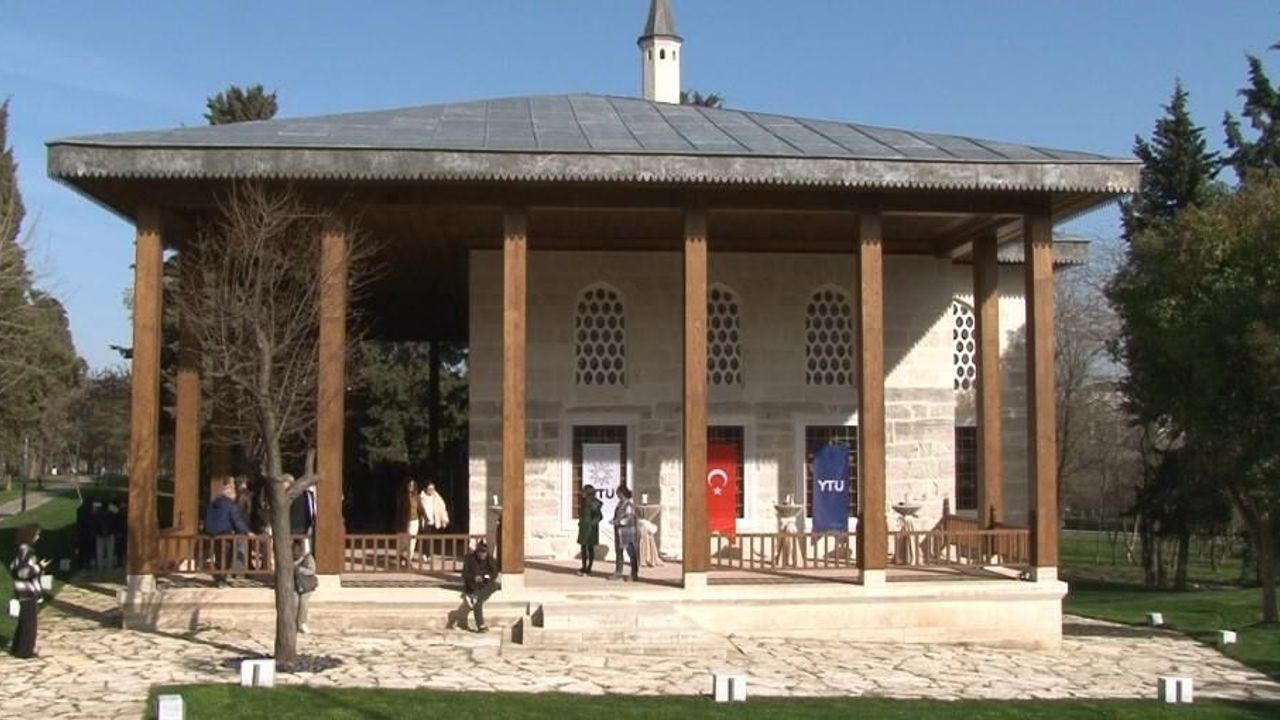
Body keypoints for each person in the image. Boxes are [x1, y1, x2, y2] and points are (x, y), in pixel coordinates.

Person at [9, 524, 49, 659]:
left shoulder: (21, 550)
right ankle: (25, 651)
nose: (38, 537)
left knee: (24, 621)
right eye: (37, 534)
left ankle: (17, 648)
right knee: (29, 624)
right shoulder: (26, 552)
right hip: (27, 591)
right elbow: (22, 572)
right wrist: (39, 567)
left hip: (23, 590)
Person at [204, 479, 249, 586]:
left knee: (219, 555)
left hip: (213, 534)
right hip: (226, 533)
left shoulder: (212, 503)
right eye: (234, 494)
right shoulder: (230, 505)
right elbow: (236, 521)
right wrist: (247, 531)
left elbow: (207, 518)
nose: (235, 497)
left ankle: (219, 577)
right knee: (227, 556)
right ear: (230, 494)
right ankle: (222, 578)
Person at [460, 540, 500, 632]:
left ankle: (476, 597)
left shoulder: (489, 559)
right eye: (481, 552)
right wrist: (474, 577)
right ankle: (481, 625)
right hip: (473, 585)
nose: (483, 555)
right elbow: (464, 574)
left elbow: (494, 573)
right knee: (477, 603)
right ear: (477, 552)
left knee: (494, 586)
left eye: (484, 552)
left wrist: (485, 577)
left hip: (485, 584)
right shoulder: (469, 558)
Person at [610, 486, 639, 582]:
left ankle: (634, 573)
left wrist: (618, 522)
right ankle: (618, 572)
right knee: (619, 552)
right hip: (619, 532)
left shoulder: (629, 505)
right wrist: (614, 520)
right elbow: (617, 516)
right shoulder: (619, 504)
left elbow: (629, 518)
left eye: (619, 493)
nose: (618, 495)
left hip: (628, 532)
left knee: (631, 553)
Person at [577, 484, 603, 576]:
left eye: (583, 491)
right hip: (583, 528)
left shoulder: (594, 503)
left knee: (590, 548)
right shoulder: (584, 502)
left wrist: (591, 524)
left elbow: (599, 516)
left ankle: (589, 567)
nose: (582, 493)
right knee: (583, 548)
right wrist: (581, 522)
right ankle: (584, 566)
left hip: (591, 529)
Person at [292, 539, 317, 634]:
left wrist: (301, 570)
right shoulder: (290, 558)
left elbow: (312, 570)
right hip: (295, 584)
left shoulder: (308, 558)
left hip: (306, 585)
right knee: (295, 603)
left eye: (298, 550)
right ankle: (294, 623)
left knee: (303, 602)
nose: (296, 552)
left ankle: (302, 623)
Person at [400, 478, 427, 564]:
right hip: (405, 521)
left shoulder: (416, 497)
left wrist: (425, 517)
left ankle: (409, 558)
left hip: (415, 521)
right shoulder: (402, 496)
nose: (411, 487)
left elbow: (421, 508)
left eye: (412, 485)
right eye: (409, 485)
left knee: (412, 541)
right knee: (404, 540)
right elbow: (399, 510)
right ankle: (402, 557)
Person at [290, 484, 317, 554]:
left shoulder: (310, 495)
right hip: (298, 526)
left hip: (308, 525)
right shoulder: (299, 495)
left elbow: (312, 508)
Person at [92, 500, 116, 572]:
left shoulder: (97, 514)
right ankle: (109, 567)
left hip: (100, 535)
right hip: (109, 534)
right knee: (110, 552)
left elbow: (95, 525)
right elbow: (114, 524)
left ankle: (100, 567)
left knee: (100, 551)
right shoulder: (111, 514)